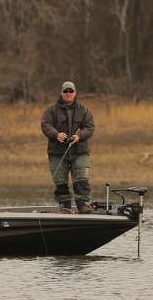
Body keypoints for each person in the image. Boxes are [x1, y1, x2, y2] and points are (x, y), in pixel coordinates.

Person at [40, 81, 95, 214]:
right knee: (60, 182)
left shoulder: (84, 110)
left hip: (79, 151)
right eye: (66, 91)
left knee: (81, 179)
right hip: (57, 152)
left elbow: (90, 127)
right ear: (61, 93)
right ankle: (65, 207)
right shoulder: (51, 110)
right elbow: (45, 125)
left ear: (75, 93)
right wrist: (56, 135)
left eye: (71, 91)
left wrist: (79, 136)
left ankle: (83, 205)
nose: (68, 94)